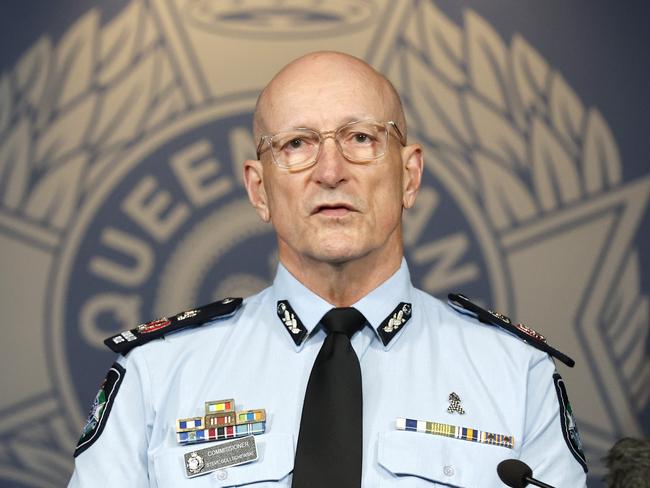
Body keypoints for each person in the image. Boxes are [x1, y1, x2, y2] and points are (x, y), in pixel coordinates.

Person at [68, 51, 587, 487]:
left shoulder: (515, 373)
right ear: (258, 189)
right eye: (296, 144)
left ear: (409, 175)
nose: (331, 171)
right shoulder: (157, 374)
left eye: (361, 138)